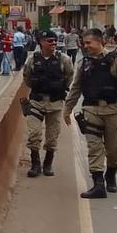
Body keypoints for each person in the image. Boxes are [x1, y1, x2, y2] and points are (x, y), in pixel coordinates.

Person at [63, 28, 117, 198]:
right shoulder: (83, 63)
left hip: (112, 110)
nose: (85, 46)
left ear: (100, 41)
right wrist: (68, 109)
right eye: (84, 43)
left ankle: (110, 176)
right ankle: (98, 184)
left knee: (114, 148)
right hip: (91, 109)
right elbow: (75, 88)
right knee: (94, 147)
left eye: (89, 42)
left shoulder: (116, 61)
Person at [22, 29, 75, 177]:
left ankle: (48, 164)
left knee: (52, 136)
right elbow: (27, 77)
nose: (53, 43)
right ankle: (35, 164)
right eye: (49, 41)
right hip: (36, 101)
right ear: (41, 42)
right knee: (34, 134)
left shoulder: (63, 59)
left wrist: (58, 88)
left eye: (54, 40)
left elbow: (69, 76)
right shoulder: (32, 59)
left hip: (55, 103)